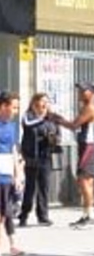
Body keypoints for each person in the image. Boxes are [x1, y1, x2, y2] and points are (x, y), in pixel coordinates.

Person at [52, 82, 94, 228]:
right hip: (87, 146)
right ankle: (86, 214)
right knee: (86, 181)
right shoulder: (88, 107)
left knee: (84, 180)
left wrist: (57, 120)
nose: (79, 93)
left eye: (83, 91)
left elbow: (74, 125)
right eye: (79, 90)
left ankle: (90, 216)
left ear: (92, 93)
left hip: (88, 146)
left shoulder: (90, 108)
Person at [18, 93, 59, 228]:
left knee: (44, 187)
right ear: (35, 103)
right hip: (31, 156)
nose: (45, 104)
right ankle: (24, 215)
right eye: (42, 101)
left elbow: (57, 133)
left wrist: (53, 138)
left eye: (47, 102)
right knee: (30, 188)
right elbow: (28, 125)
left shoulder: (51, 119)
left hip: (45, 156)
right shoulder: (28, 116)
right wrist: (43, 118)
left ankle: (43, 216)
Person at [0, 92, 23, 256]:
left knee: (3, 215)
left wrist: (18, 173)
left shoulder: (11, 126)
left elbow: (13, 150)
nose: (15, 111)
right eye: (13, 107)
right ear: (3, 106)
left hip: (6, 173)